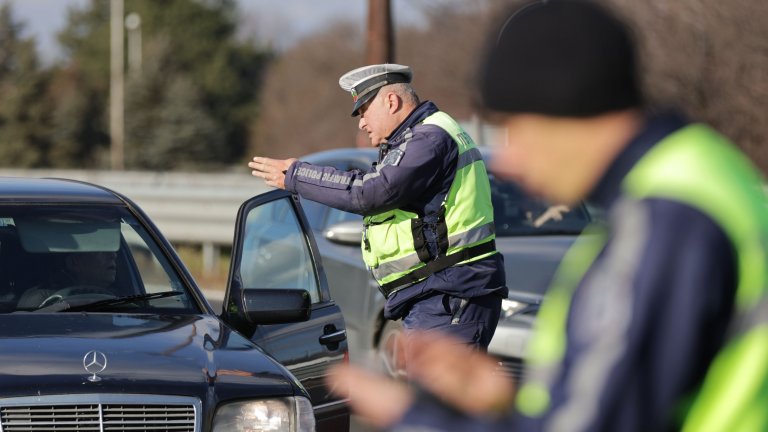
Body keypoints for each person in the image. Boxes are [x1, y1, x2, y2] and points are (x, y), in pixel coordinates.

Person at [326, 1, 768, 431]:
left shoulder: (668, 220)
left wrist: (415, 417)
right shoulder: (694, 175)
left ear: (570, 112)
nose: (509, 160)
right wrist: (500, 400)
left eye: (518, 129)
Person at [248, 63, 507, 351]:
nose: (361, 123)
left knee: (443, 395)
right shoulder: (420, 138)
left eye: (363, 111)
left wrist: (298, 175)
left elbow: (372, 192)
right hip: (439, 294)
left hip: (448, 294)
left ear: (391, 101)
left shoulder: (429, 138)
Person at [17, 251, 117, 309]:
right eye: (101, 249)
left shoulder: (123, 298)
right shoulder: (38, 298)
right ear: (73, 262)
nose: (114, 255)